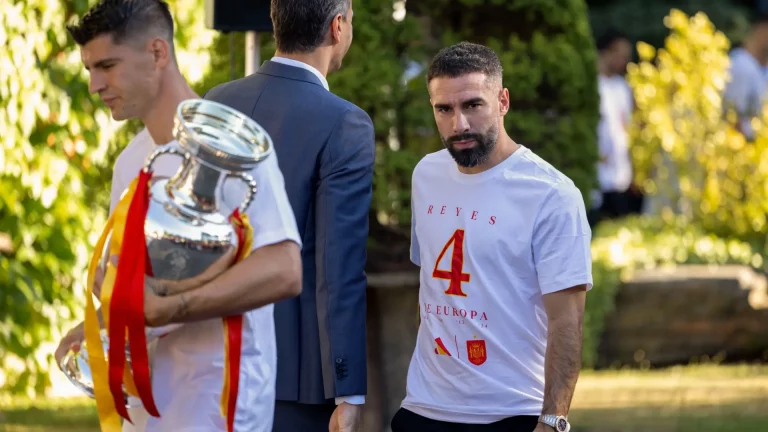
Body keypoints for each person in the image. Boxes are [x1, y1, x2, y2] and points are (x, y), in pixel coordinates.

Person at [54, 1, 303, 431]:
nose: (95, 84)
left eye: (107, 65)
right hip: (146, 405)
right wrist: (96, 324)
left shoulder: (230, 146)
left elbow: (284, 269)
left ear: (157, 53)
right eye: (90, 68)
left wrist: (173, 308)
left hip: (219, 402)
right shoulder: (130, 160)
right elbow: (147, 284)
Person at [391, 42, 592, 432]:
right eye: (444, 110)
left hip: (513, 412)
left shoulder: (551, 194)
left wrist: (553, 420)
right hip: (423, 409)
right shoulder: (425, 176)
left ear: (502, 101)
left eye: (472, 105)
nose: (459, 124)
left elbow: (567, 322)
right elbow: (434, 289)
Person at [203, 1, 373, 431]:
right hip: (296, 381)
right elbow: (338, 266)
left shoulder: (215, 104)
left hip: (213, 360)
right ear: (338, 27)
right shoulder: (345, 123)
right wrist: (348, 389)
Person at [590, 29, 642, 226]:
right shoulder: (592, 85)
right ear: (606, 52)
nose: (624, 61)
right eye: (620, 54)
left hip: (621, 173)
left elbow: (628, 125)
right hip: (597, 173)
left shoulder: (622, 87)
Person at [724, 14, 768, 141]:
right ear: (762, 30)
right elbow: (733, 117)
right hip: (742, 152)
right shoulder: (741, 65)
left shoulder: (759, 68)